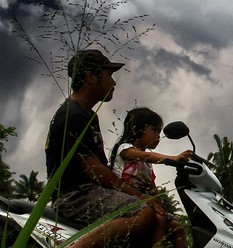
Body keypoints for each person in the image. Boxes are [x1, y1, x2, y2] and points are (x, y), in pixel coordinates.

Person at [45, 49, 158, 247]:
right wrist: (139, 195)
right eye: (108, 75)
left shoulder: (88, 115)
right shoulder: (73, 115)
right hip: (75, 196)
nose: (113, 83)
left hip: (90, 192)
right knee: (144, 211)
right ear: (90, 77)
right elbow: (95, 170)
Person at [110, 107, 191, 247]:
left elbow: (152, 187)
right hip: (122, 197)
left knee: (177, 226)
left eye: (159, 132)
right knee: (159, 219)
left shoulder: (147, 165)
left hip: (143, 201)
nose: (158, 136)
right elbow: (147, 156)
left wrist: (161, 206)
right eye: (155, 130)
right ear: (138, 129)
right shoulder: (125, 149)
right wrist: (173, 159)